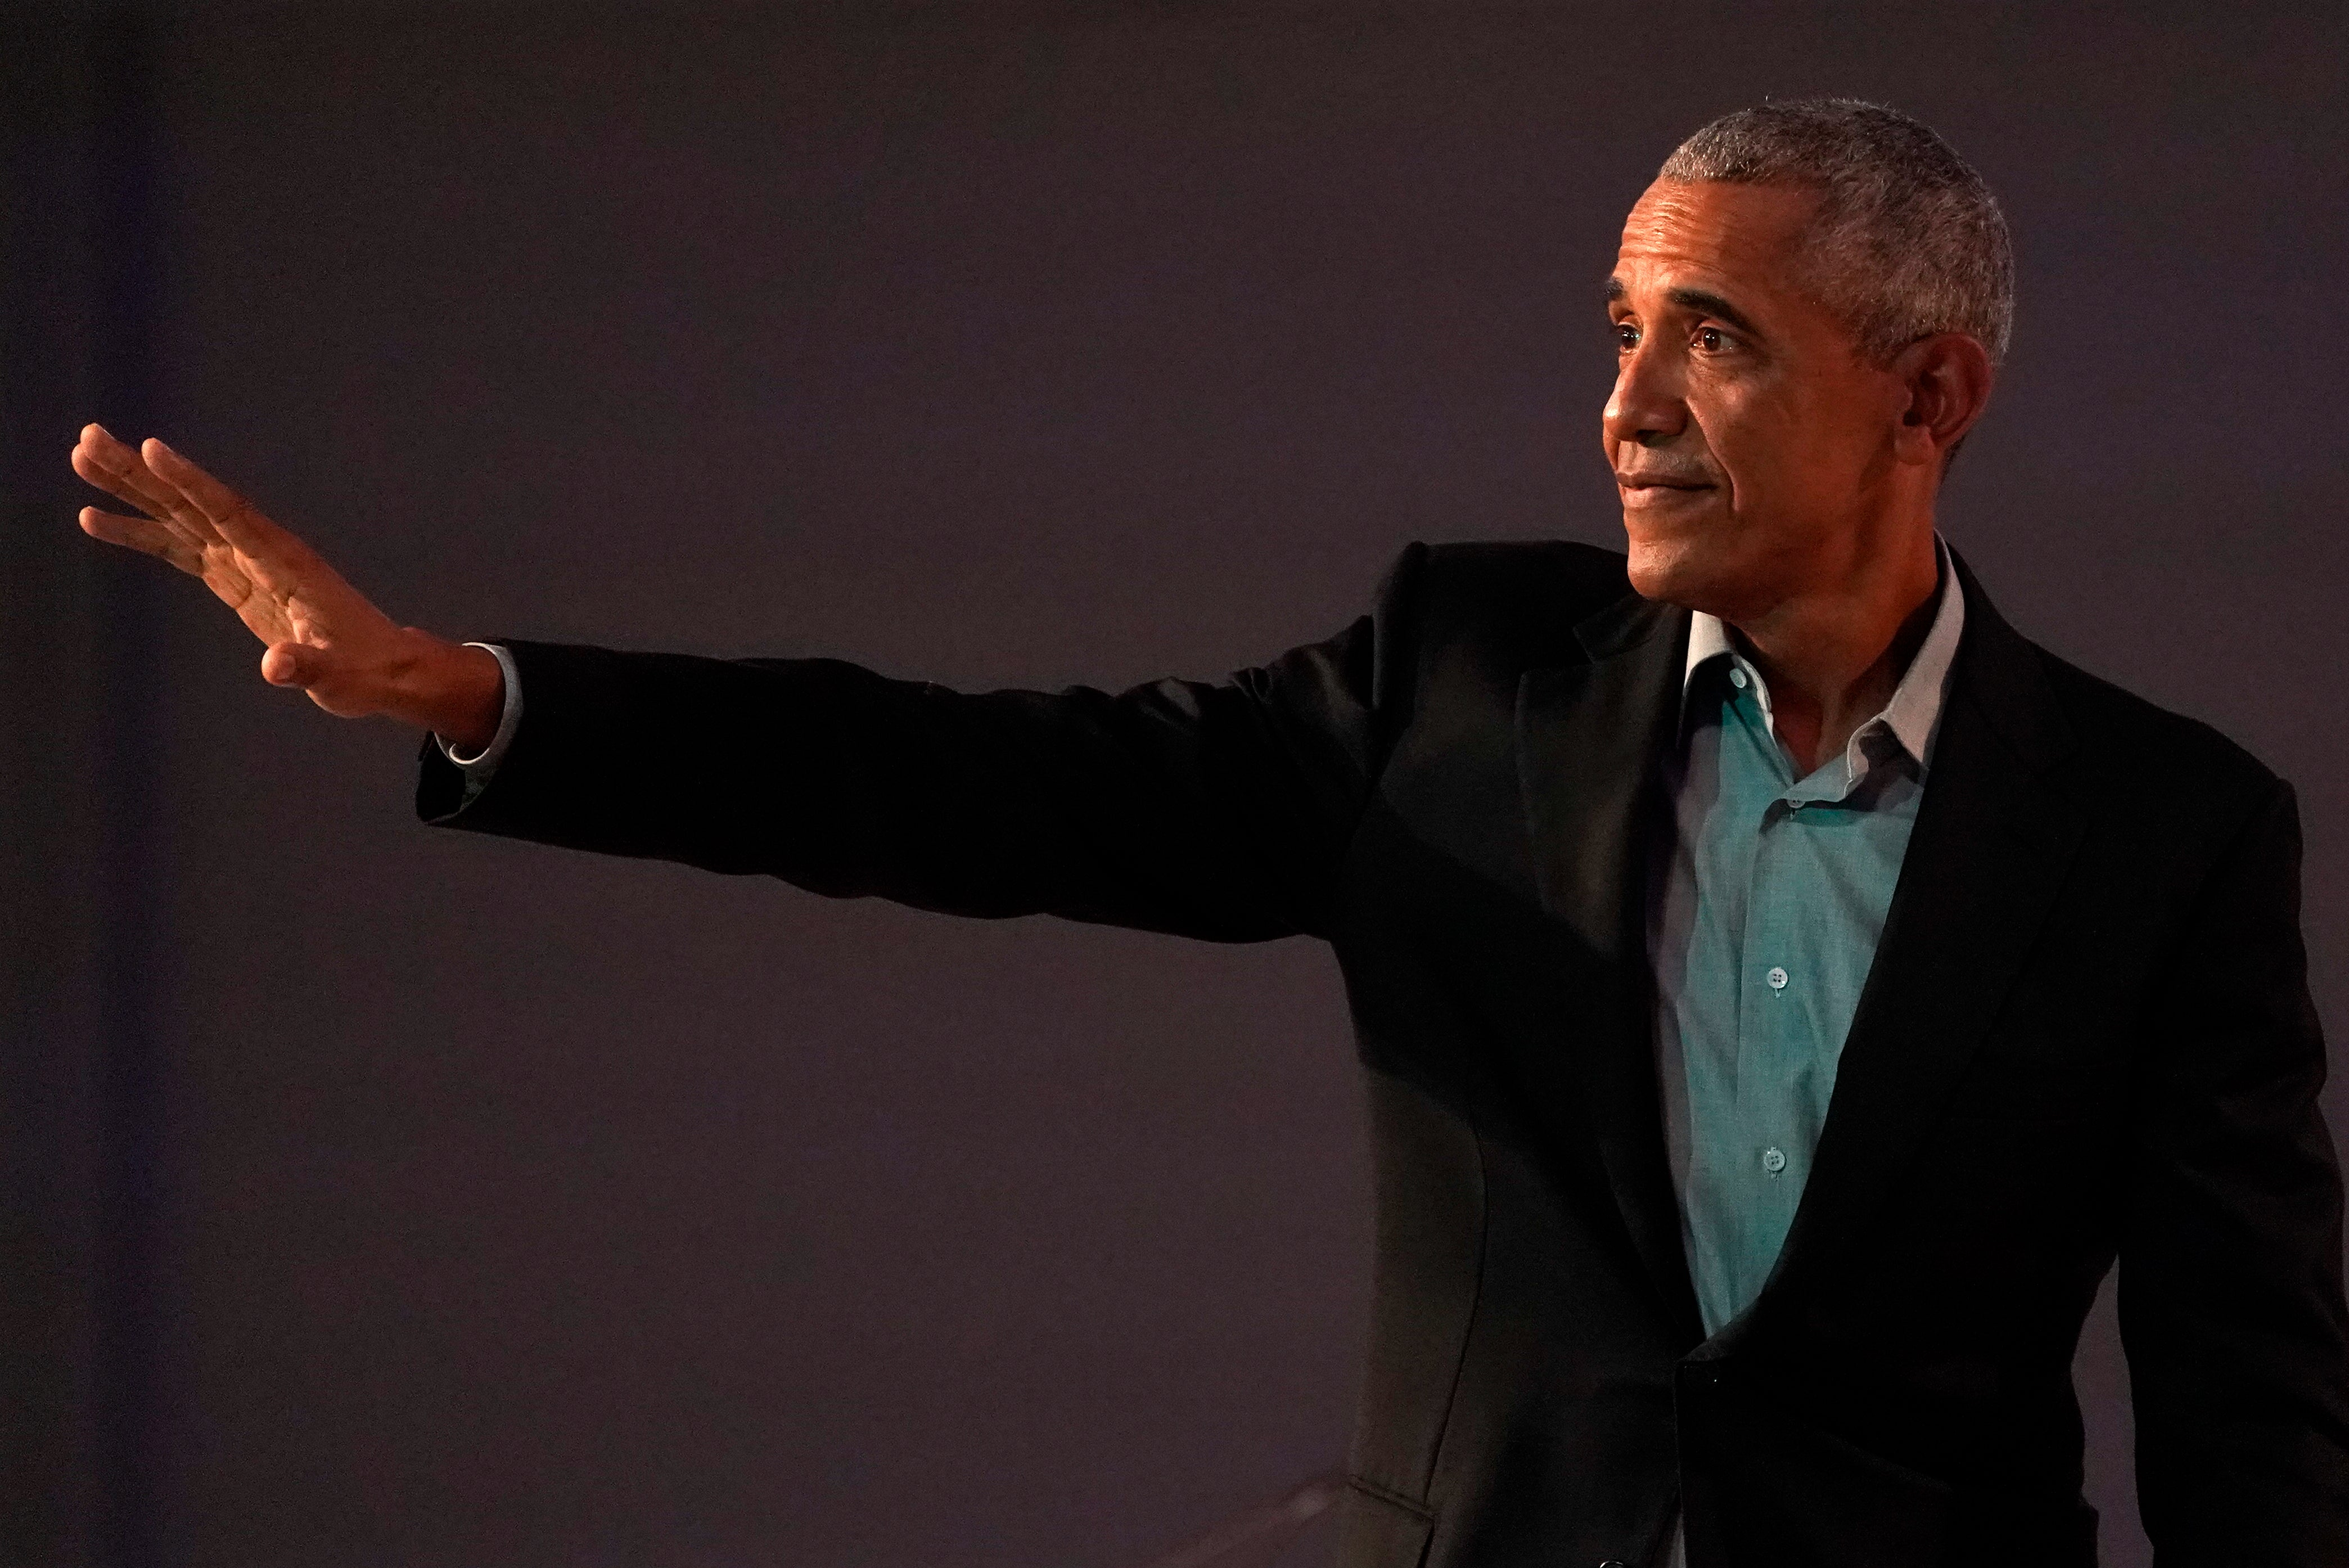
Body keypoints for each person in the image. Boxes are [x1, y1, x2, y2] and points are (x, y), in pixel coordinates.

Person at [72, 98, 2349, 1567]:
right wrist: (480, 695)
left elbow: (2256, 1419)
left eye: (1714, 340)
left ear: (1929, 395)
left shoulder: (2157, 834)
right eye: (1619, 328)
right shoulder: (1463, 683)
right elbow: (980, 783)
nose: (1625, 405)